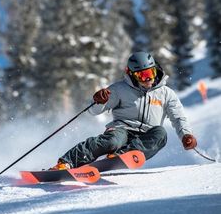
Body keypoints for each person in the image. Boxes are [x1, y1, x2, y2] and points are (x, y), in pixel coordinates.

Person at [50, 51, 197, 170]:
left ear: (156, 70)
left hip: (146, 135)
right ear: (132, 74)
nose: (147, 79)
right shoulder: (120, 89)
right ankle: (66, 162)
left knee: (161, 133)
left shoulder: (166, 93)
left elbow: (178, 118)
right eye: (142, 75)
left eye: (150, 73)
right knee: (112, 141)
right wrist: (98, 101)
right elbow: (93, 112)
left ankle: (121, 156)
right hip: (122, 129)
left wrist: (186, 135)